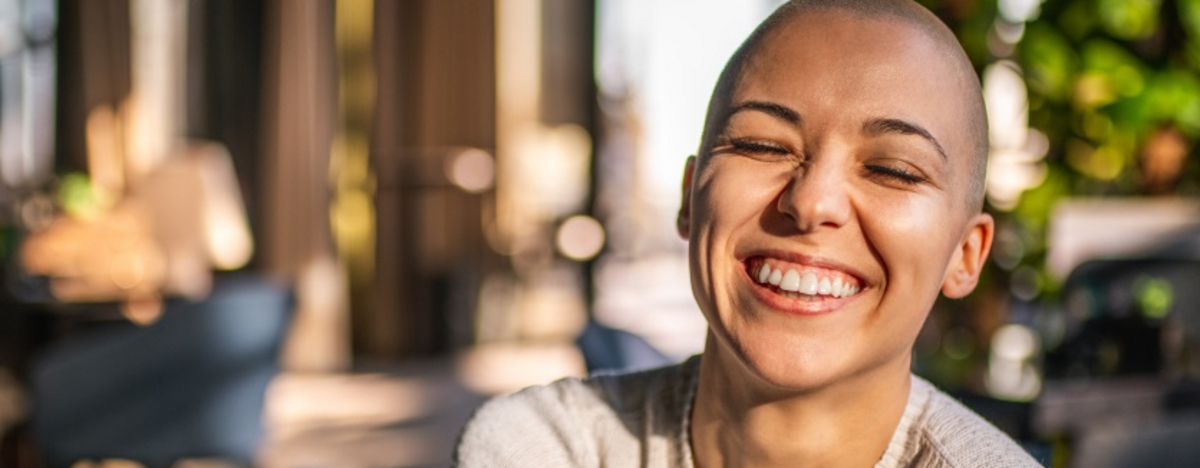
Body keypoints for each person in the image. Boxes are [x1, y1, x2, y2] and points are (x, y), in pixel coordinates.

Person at [455, 0, 1043, 466]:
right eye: (762, 146)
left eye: (891, 169)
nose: (811, 202)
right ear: (690, 197)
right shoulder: (543, 446)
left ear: (965, 256)